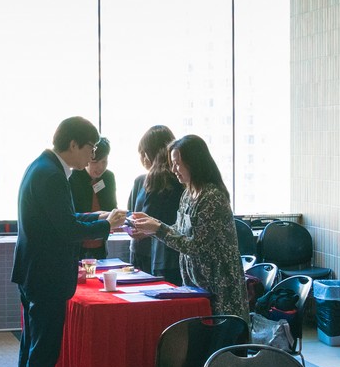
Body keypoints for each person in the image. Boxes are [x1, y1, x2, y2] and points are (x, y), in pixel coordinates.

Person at [12, 117, 125, 367]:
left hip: (35, 272)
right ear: (74, 145)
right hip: (45, 276)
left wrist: (100, 218)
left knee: (32, 353)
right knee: (42, 356)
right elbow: (67, 229)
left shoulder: (44, 167)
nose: (91, 156)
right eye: (90, 148)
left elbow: (65, 220)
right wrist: (106, 227)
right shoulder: (50, 175)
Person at [128, 134, 247, 318]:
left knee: (220, 340)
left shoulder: (212, 197)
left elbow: (196, 246)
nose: (173, 169)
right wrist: (152, 227)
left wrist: (158, 229)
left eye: (177, 163)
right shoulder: (188, 193)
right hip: (196, 283)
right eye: (172, 163)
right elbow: (179, 230)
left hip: (219, 284)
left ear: (194, 163)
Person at [127, 125, 182, 283]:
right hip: (150, 251)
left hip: (162, 254)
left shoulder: (171, 180)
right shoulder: (141, 181)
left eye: (143, 153)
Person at [68, 137, 116, 257]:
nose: (100, 167)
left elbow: (112, 207)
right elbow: (72, 215)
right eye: (95, 162)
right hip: (79, 241)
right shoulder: (72, 177)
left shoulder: (108, 177)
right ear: (88, 159)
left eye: (104, 162)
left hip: (100, 240)